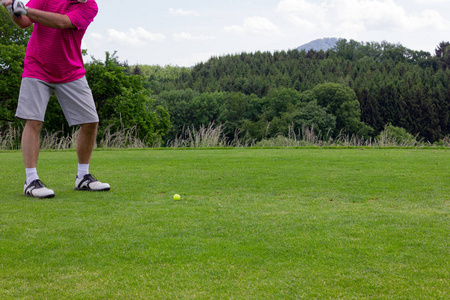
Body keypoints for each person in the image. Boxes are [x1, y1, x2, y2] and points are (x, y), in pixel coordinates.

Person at [2, 0, 110, 198]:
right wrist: (10, 8)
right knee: (33, 120)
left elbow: (61, 22)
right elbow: (24, 21)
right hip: (37, 65)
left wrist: (24, 9)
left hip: (71, 69)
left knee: (91, 121)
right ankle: (31, 180)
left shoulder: (90, 7)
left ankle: (83, 177)